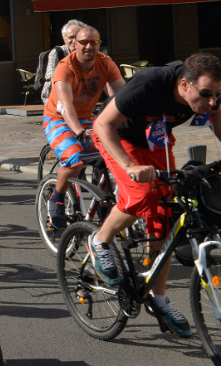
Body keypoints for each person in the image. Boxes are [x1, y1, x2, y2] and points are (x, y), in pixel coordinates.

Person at [90, 53, 221, 338]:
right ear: (184, 84)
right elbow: (102, 124)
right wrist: (129, 166)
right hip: (118, 135)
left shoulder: (211, 96)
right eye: (207, 95)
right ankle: (100, 240)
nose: (212, 102)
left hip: (155, 140)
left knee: (165, 216)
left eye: (217, 95)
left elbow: (220, 127)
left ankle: (157, 298)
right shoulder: (150, 83)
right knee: (141, 196)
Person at [43, 26, 124, 228]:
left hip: (88, 119)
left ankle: (103, 202)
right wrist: (79, 131)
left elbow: (122, 96)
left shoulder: (106, 63)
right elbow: (66, 105)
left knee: (111, 156)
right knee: (76, 158)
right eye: (83, 42)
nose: (88, 46)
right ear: (74, 44)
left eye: (93, 42)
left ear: (99, 44)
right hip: (57, 119)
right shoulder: (65, 66)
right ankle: (57, 198)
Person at [40, 20, 87, 101]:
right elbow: (53, 79)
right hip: (55, 98)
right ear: (65, 39)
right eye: (71, 37)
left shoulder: (87, 53)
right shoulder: (57, 53)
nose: (75, 41)